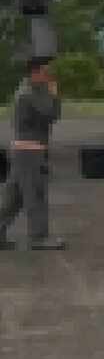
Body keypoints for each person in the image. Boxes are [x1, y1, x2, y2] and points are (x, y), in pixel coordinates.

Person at [0, 57, 64, 250]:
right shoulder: (29, 94)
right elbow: (50, 114)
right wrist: (53, 94)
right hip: (30, 152)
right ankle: (38, 238)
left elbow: (52, 115)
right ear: (34, 73)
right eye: (46, 72)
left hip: (24, 151)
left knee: (14, 198)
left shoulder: (30, 91)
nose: (49, 76)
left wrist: (50, 93)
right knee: (36, 195)